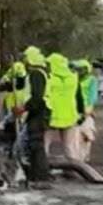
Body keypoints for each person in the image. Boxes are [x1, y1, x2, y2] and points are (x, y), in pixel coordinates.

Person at [19, 46, 51, 182]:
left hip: (38, 112)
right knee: (33, 145)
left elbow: (37, 97)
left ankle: (41, 178)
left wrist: (24, 108)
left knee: (36, 145)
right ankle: (35, 175)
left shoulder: (36, 74)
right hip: (38, 111)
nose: (24, 62)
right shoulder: (39, 73)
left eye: (25, 58)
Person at [45, 53, 82, 160]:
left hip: (52, 115)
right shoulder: (74, 77)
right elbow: (78, 96)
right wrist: (81, 112)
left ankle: (42, 169)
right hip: (70, 115)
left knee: (45, 144)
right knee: (69, 146)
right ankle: (73, 170)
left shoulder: (49, 78)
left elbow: (45, 95)